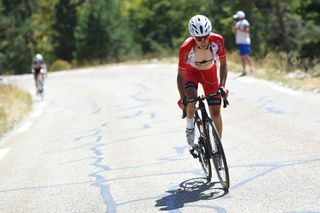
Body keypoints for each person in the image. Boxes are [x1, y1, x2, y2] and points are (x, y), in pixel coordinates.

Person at [177, 15, 228, 153]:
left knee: (216, 112)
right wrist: (183, 96)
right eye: (199, 38)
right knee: (191, 99)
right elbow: (180, 76)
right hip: (191, 73)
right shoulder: (186, 48)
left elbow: (223, 65)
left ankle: (218, 147)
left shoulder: (217, 40)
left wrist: (222, 86)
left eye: (205, 36)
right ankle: (189, 126)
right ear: (193, 36)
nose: (203, 40)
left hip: (209, 74)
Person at [232, 10, 253, 76]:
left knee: (245, 55)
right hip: (239, 41)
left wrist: (238, 29)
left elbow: (247, 30)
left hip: (245, 41)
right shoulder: (237, 23)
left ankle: (251, 67)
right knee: (242, 56)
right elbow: (234, 31)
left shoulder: (245, 22)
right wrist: (233, 26)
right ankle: (244, 69)